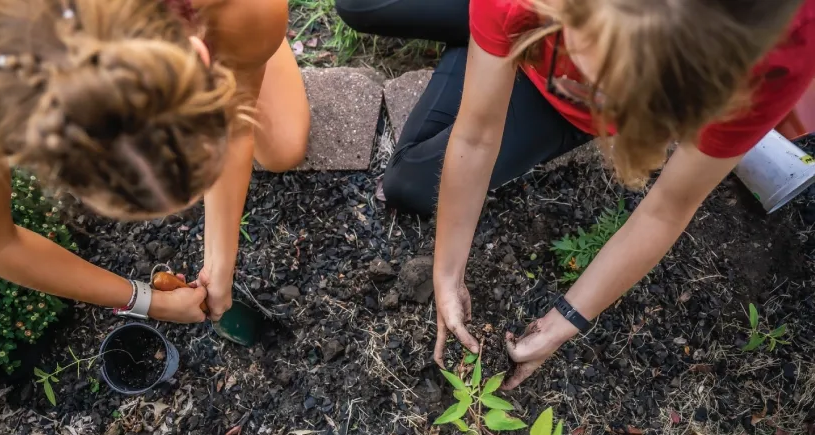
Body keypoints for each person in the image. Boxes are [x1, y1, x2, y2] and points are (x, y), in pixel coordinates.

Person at [336, 0, 815, 388]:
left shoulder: (773, 58)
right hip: (523, 16)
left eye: (609, 93)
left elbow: (667, 208)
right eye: (579, 62)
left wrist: (564, 322)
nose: (579, 81)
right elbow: (476, 136)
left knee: (413, 184)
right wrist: (446, 272)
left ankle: (492, 49)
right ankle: (495, 42)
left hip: (541, 62)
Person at [0, 0, 310, 323]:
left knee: (284, 149)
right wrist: (148, 301)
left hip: (224, 18)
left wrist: (222, 261)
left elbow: (236, 129)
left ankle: (238, 49)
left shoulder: (245, 7)